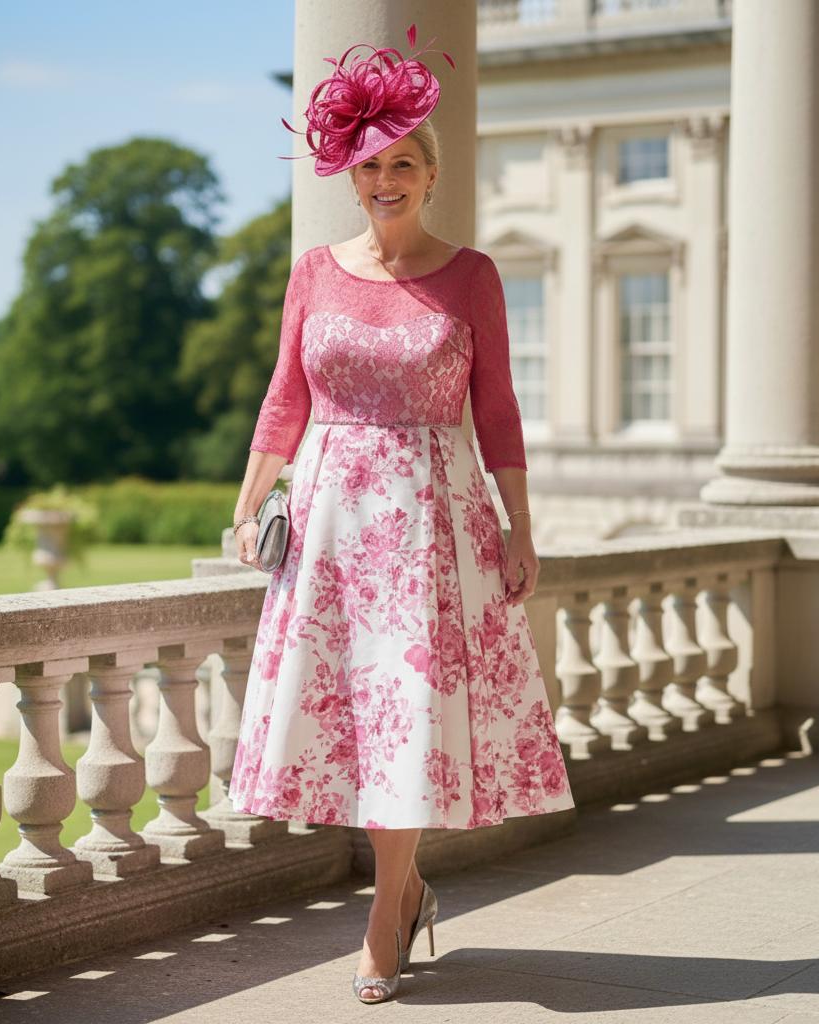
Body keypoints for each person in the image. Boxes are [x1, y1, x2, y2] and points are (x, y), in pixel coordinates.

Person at [228, 23, 575, 1004]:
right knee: (356, 722)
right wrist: (249, 501)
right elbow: (283, 399)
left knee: (406, 719)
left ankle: (388, 908)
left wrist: (520, 525)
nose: (387, 181)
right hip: (335, 523)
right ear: (351, 173)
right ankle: (406, 885)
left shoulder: (471, 276)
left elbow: (496, 409)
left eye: (406, 166)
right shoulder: (313, 273)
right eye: (371, 166)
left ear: (430, 175)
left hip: (433, 524)